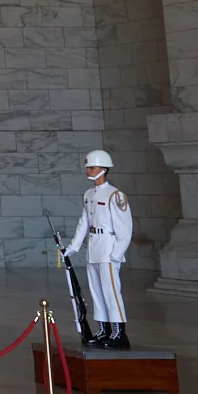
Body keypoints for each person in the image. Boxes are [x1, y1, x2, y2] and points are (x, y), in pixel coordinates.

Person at [62, 149, 134, 349]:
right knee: (97, 292)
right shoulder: (89, 195)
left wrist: (116, 254)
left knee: (111, 292)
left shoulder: (115, 195)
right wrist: (73, 248)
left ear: (103, 169)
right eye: (87, 167)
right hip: (94, 248)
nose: (88, 170)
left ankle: (119, 333)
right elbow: (83, 223)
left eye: (91, 167)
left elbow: (125, 230)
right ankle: (104, 329)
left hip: (109, 249)